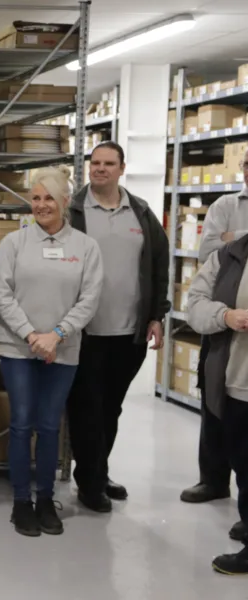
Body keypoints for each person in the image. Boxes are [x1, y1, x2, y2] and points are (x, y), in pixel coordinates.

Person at [0, 166, 103, 537]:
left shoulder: (85, 247)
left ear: (65, 202)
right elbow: (1, 295)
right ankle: (21, 502)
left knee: (50, 424)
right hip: (18, 349)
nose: (41, 205)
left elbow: (89, 299)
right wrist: (31, 335)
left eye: (49, 198)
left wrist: (56, 334)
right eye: (36, 198)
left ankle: (45, 500)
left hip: (64, 350)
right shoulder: (14, 244)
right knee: (22, 423)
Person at [65, 141, 169, 513]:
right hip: (84, 332)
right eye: (95, 163)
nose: (100, 169)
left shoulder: (140, 212)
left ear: (122, 168)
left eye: (109, 163)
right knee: (86, 408)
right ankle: (89, 482)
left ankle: (99, 471)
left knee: (112, 408)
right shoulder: (74, 210)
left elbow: (159, 266)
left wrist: (157, 315)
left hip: (129, 333)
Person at [180, 148, 248, 525]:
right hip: (224, 326)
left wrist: (232, 236)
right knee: (215, 403)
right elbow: (208, 249)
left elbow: (223, 242)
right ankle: (213, 479)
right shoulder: (225, 202)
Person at [186, 230, 248, 575]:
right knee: (243, 464)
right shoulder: (228, 256)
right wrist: (226, 316)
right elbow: (194, 305)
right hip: (235, 382)